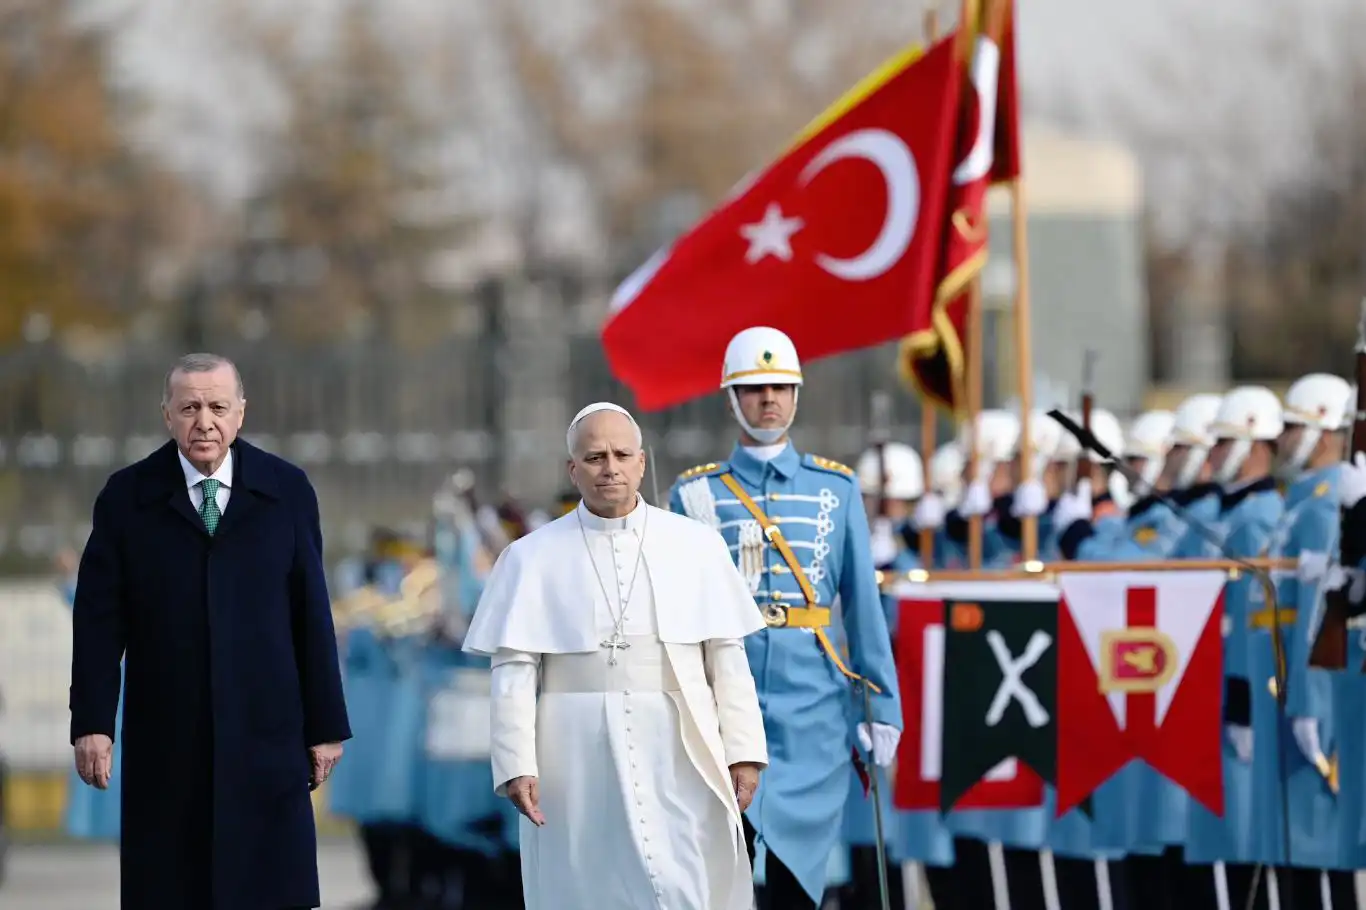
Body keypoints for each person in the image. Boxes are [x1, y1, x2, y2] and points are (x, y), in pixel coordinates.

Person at [68, 352, 351, 909]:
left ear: (241, 413)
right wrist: (93, 723)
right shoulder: (127, 497)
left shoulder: (286, 490)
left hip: (266, 729)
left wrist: (326, 726)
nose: (205, 422)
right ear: (167, 415)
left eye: (218, 407)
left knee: (269, 886)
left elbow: (311, 612)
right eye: (190, 407)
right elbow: (99, 621)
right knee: (172, 887)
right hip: (169, 732)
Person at [463, 401, 768, 910]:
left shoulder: (696, 546)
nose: (610, 468)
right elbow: (513, 670)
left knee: (685, 881)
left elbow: (727, 659)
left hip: (679, 742)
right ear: (572, 469)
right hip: (573, 751)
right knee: (585, 884)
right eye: (596, 457)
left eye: (622, 455)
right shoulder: (530, 556)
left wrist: (743, 752)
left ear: (642, 463)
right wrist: (516, 762)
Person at [668, 326, 901, 909]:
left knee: (801, 886)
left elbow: (862, 609)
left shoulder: (837, 489)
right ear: (730, 399)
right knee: (723, 877)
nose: (768, 399)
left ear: (797, 395)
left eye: (780, 386)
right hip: (722, 709)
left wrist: (882, 702)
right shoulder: (694, 495)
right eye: (753, 389)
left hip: (814, 713)